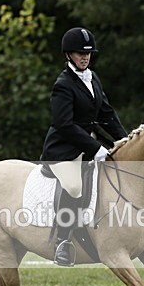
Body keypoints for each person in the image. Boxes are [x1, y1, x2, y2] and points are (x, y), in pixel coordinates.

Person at [41, 27, 128, 266]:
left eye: (88, 53)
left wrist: (125, 142)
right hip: (63, 150)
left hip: (88, 145)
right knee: (74, 185)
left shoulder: (93, 77)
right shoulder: (63, 84)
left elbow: (106, 114)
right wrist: (96, 149)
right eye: (79, 53)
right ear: (68, 54)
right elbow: (64, 125)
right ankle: (63, 241)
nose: (85, 57)